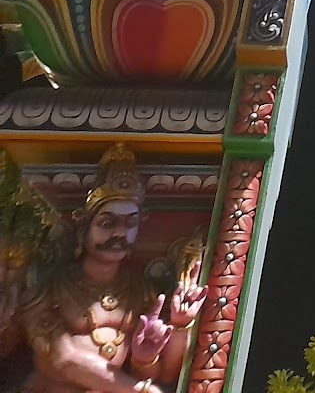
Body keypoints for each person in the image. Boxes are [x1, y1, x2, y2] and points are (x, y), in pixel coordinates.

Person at [20, 146, 203, 393]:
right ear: (84, 227)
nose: (119, 233)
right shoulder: (49, 288)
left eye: (130, 223)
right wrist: (139, 389)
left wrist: (174, 330)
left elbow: (165, 375)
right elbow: (62, 359)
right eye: (107, 223)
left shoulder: (140, 292)